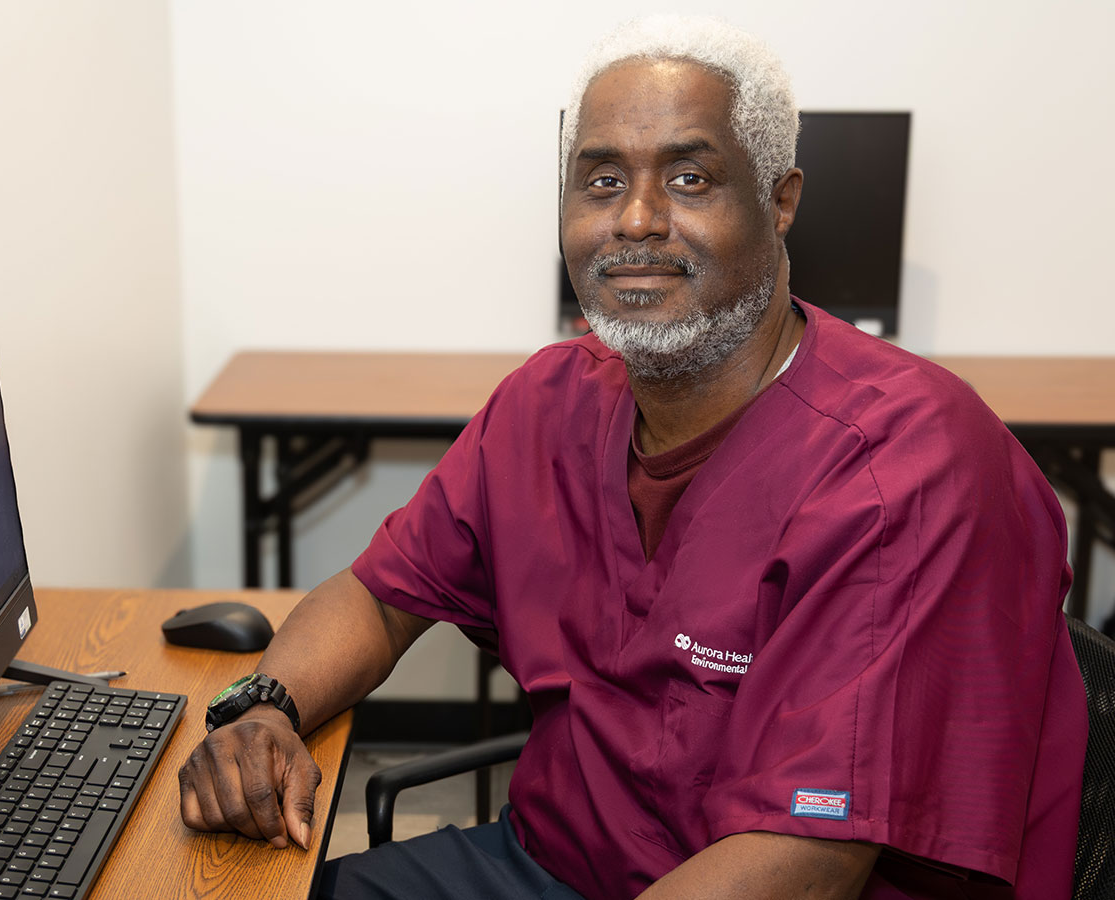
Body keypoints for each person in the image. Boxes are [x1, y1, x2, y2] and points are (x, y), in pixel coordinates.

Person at [178, 15, 1087, 900]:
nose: (638, 220)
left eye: (690, 178)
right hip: (544, 864)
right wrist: (266, 706)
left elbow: (808, 863)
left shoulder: (907, 467)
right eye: (602, 180)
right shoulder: (548, 402)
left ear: (779, 199)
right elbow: (379, 597)